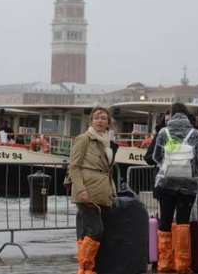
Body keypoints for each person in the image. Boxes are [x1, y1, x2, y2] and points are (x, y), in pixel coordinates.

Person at [152, 102, 198, 273]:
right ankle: (182, 264)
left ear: (171, 114)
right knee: (183, 222)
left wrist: (168, 162)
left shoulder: (164, 132)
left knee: (165, 221)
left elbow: (156, 157)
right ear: (187, 115)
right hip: (188, 185)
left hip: (166, 183)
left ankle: (165, 263)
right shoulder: (196, 134)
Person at [68, 107, 118, 274]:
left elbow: (107, 170)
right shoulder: (84, 139)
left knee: (86, 231)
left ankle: (84, 269)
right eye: (96, 118)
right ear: (91, 121)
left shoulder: (109, 143)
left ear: (108, 122)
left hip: (101, 191)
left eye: (103, 118)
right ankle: (86, 268)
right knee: (96, 230)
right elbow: (73, 167)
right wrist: (81, 190)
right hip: (87, 190)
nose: (100, 121)